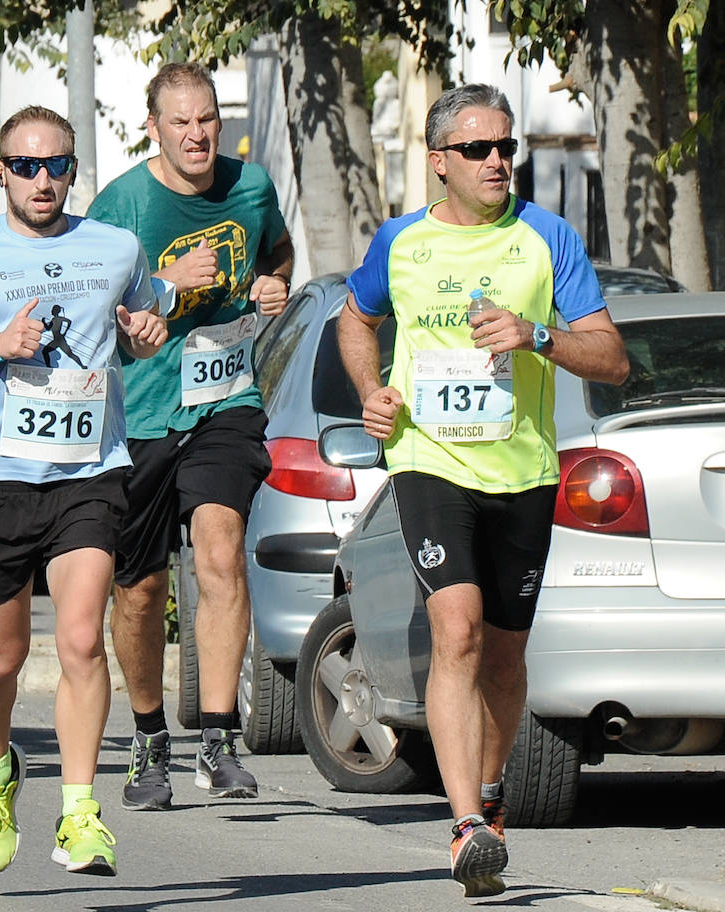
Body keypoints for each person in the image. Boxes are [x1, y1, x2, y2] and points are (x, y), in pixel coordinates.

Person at [337, 83, 628, 897]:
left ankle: (490, 797)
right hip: (429, 461)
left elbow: (611, 358)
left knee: (503, 651)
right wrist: (373, 392)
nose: (499, 161)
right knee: (456, 628)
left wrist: (537, 336)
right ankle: (465, 823)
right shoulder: (399, 243)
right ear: (439, 163)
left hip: (523, 470)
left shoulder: (547, 238)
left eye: (507, 148)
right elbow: (354, 321)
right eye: (478, 149)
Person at [0, 105, 167, 878]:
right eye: (27, 167)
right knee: (1, 655)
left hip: (89, 471)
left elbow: (139, 319)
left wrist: (143, 333)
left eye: (58, 165)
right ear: (0, 173)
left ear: (74, 168)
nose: (44, 180)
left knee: (84, 638)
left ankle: (80, 814)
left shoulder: (117, 246)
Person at [86, 61, 294, 810]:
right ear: (154, 129)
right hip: (139, 411)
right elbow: (88, 307)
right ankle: (148, 743)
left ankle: (217, 739)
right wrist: (162, 286)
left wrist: (273, 283)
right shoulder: (122, 206)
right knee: (138, 593)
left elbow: (276, 252)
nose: (197, 134)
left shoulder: (252, 187)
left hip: (223, 398)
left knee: (218, 551)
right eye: (180, 122)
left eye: (206, 118)